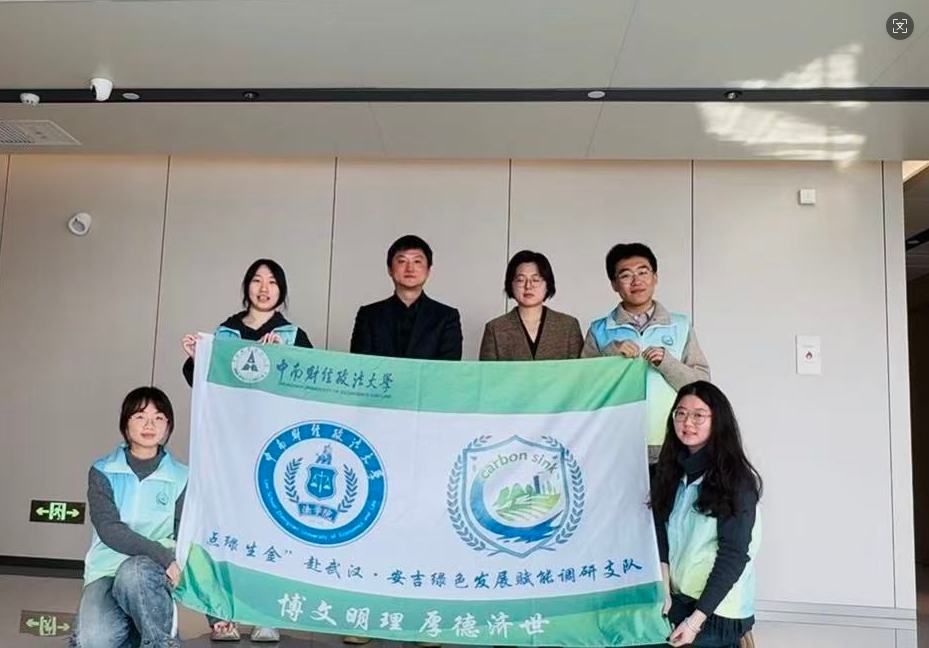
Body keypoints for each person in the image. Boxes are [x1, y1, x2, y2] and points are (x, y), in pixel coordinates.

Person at [182, 258, 312, 642]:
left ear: (282, 291)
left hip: (274, 447)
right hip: (227, 446)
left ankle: (264, 613)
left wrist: (285, 358)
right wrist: (197, 358)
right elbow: (201, 382)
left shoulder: (293, 335)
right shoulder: (225, 334)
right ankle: (221, 613)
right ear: (246, 287)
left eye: (272, 282)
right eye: (256, 280)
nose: (264, 288)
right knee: (221, 526)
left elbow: (309, 385)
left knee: (269, 527)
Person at [69, 387, 187, 648]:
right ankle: (138, 629)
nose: (149, 425)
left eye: (158, 418)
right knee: (92, 640)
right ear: (125, 423)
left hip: (151, 571)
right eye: (140, 416)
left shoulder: (182, 477)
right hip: (106, 569)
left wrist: (216, 615)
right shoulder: (102, 470)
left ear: (168, 426)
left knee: (133, 573)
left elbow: (187, 536)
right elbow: (109, 528)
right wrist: (163, 555)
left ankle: (160, 642)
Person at [650, 381, 762, 648]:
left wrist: (693, 623)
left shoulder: (737, 480)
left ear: (717, 421)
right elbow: (659, 533)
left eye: (698, 415)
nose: (688, 422)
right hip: (679, 598)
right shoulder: (669, 472)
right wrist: (663, 590)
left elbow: (733, 556)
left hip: (718, 611)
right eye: (681, 413)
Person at [582, 242, 710, 462]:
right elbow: (584, 388)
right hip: (616, 442)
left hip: (673, 440)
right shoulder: (599, 330)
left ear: (655, 277)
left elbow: (702, 386)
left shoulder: (680, 325)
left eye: (643, 272)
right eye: (626, 275)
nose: (636, 281)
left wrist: (667, 363)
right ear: (614, 284)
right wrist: (611, 355)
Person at [350, 235, 462, 360]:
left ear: (428, 270)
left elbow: (448, 367)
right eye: (402, 261)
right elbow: (360, 364)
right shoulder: (368, 315)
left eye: (417, 261)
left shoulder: (447, 317)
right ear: (390, 269)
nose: (410, 268)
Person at [479, 250, 583, 360]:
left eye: (535, 280)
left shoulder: (568, 326)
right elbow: (487, 370)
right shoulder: (495, 329)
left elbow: (581, 370)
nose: (528, 286)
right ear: (511, 285)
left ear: (547, 285)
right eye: (520, 280)